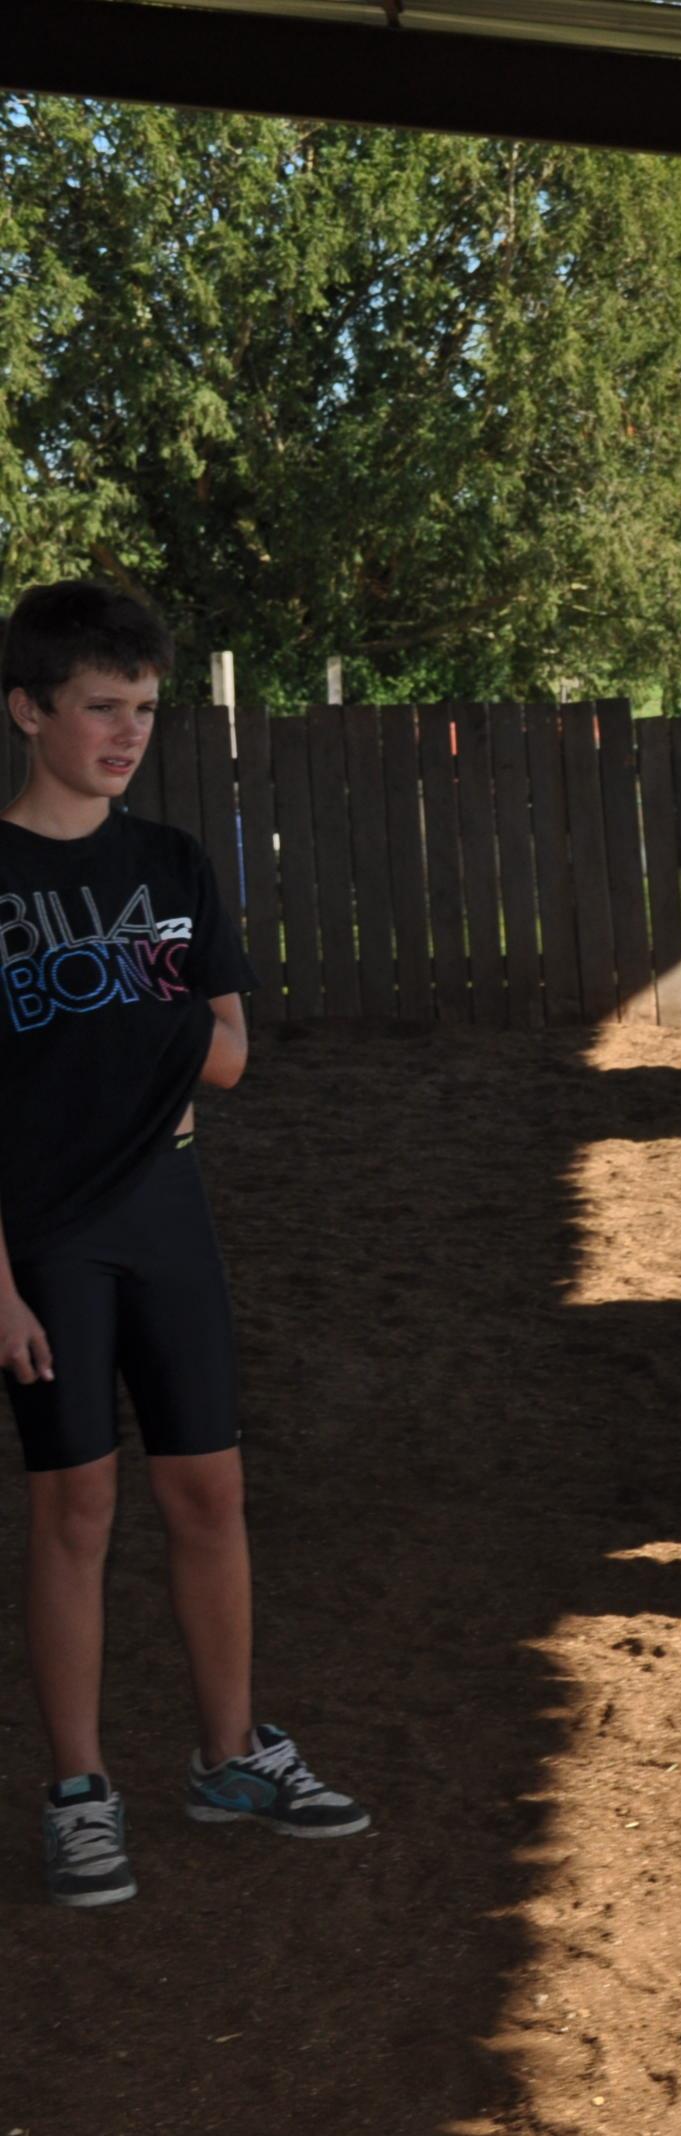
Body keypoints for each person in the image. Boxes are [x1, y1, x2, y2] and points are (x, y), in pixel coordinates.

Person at [3, 579, 371, 1909]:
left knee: (208, 1493)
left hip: (167, 1215)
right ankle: (81, 1792)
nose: (126, 733)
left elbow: (229, 1056)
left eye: (144, 710)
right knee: (77, 1507)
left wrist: (126, 1004)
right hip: (41, 1236)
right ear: (28, 708)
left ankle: (229, 1756)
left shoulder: (171, 867)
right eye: (100, 708)